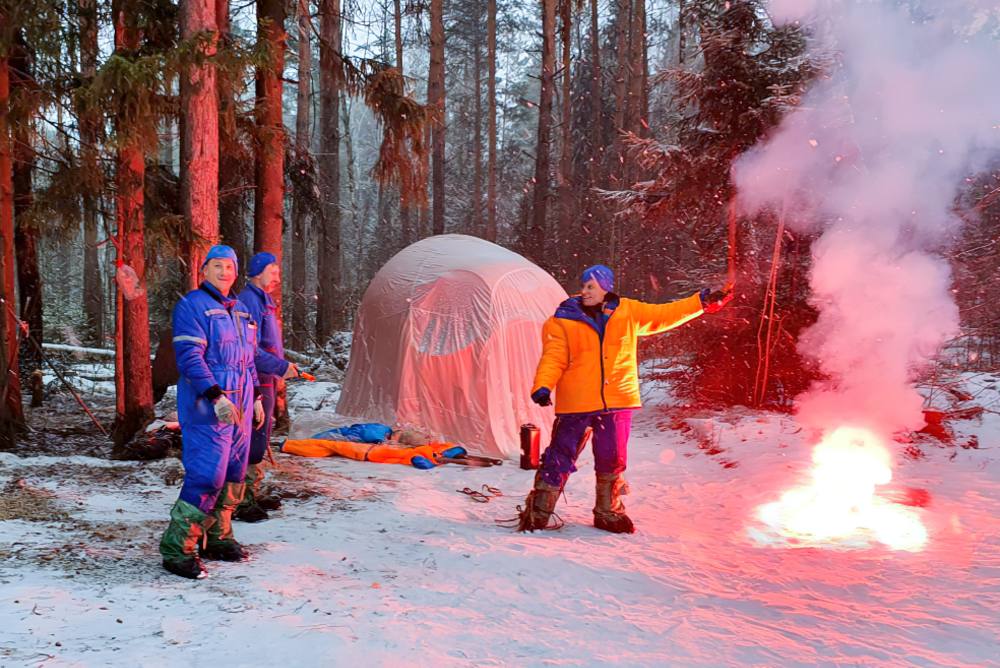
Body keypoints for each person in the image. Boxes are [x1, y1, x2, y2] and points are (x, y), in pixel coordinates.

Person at [517, 264, 733, 534]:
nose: (586, 291)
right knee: (560, 456)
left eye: (592, 286)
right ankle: (538, 512)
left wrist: (699, 303)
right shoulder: (562, 319)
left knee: (612, 458)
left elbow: (665, 313)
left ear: (606, 288)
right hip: (577, 402)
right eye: (584, 285)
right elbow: (553, 357)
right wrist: (543, 386)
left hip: (618, 400)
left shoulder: (628, 312)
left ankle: (608, 512)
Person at [159, 245, 265, 579]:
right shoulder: (192, 306)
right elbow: (190, 357)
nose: (224, 272)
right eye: (216, 266)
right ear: (203, 270)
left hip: (243, 402)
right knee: (207, 474)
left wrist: (258, 397)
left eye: (230, 267)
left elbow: (249, 360)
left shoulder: (242, 312)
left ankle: (218, 537)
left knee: (235, 471)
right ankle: (177, 550)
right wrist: (216, 395)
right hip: (207, 403)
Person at [235, 252, 299, 522]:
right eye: (272, 271)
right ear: (257, 272)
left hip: (267, 376)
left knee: (262, 433)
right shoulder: (249, 301)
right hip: (256, 378)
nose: (276, 277)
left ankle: (253, 491)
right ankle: (241, 500)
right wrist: (281, 367)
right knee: (253, 434)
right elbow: (251, 349)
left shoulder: (264, 301)